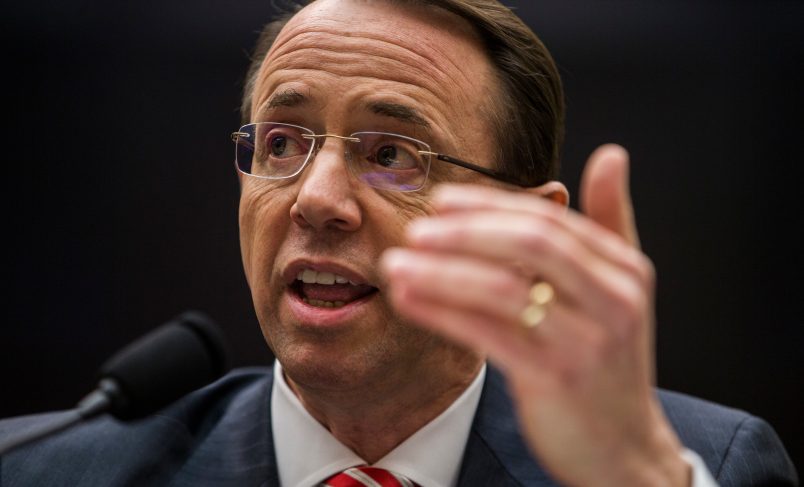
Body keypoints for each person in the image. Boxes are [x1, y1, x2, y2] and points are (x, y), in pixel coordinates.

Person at [0, 1, 797, 486]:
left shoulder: (702, 468)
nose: (316, 200)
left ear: (529, 232)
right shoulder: (47, 467)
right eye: (282, 143)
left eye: (391, 155)